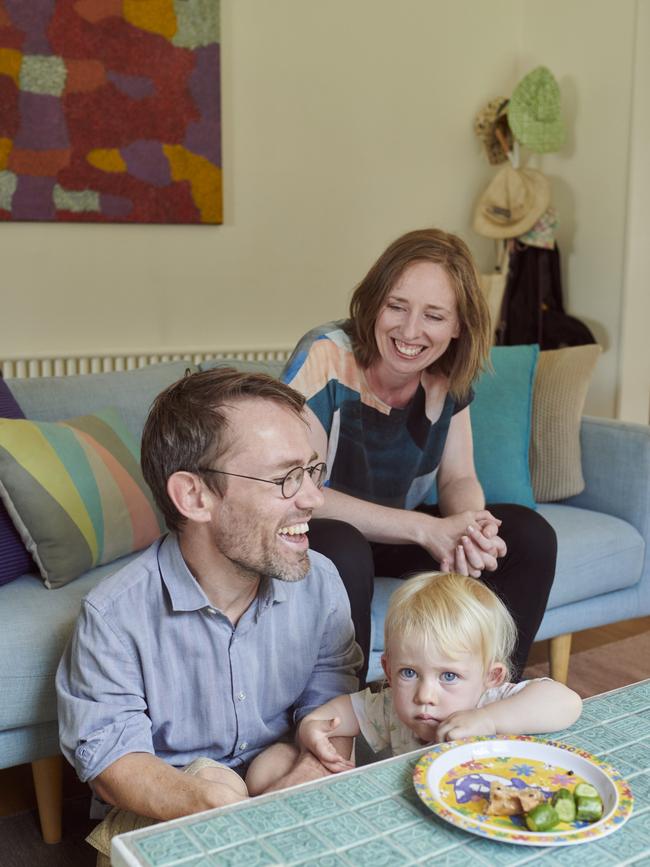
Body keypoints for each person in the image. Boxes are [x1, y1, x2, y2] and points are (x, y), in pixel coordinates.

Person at [56, 368, 362, 862]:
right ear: (195, 497)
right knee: (206, 782)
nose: (313, 498)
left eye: (311, 471)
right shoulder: (114, 616)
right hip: (173, 796)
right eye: (285, 478)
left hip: (277, 768)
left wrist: (318, 758)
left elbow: (331, 690)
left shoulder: (319, 580)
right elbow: (114, 760)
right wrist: (217, 803)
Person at [282, 227, 557, 682]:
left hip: (399, 533)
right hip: (320, 531)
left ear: (457, 326)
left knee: (528, 536)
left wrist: (471, 526)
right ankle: (339, 721)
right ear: (374, 303)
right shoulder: (327, 353)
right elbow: (300, 492)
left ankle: (488, 698)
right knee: (345, 550)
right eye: (397, 307)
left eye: (433, 315)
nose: (410, 332)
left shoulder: (448, 372)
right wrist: (429, 530)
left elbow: (457, 480)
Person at [298, 572, 582, 767]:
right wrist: (311, 728)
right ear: (388, 669)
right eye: (409, 673)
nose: (425, 695)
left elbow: (567, 703)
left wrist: (489, 721)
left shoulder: (491, 701)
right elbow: (336, 714)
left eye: (449, 676)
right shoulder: (391, 709)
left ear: (490, 678)